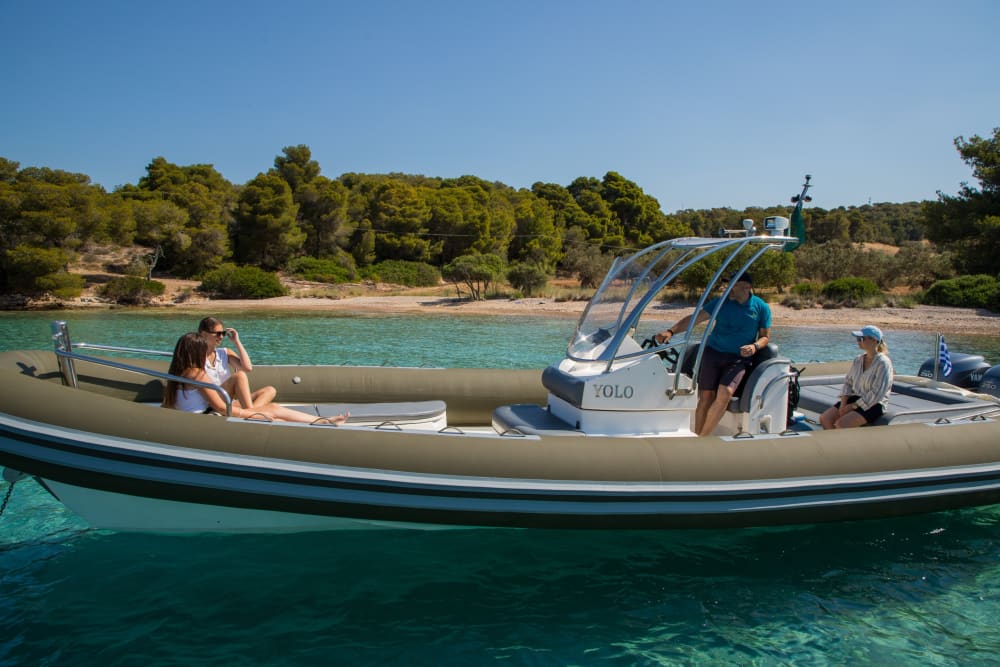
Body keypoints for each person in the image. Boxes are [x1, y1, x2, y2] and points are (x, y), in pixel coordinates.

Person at [654, 272, 771, 436]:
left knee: (725, 394)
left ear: (746, 287)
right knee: (706, 397)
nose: (728, 288)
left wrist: (755, 346)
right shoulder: (721, 302)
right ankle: (697, 436)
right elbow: (695, 319)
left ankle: (703, 439)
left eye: (733, 285)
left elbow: (765, 337)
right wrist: (671, 331)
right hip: (713, 354)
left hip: (738, 359)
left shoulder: (761, 308)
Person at [162, 332, 348, 424]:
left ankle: (322, 421)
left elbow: (168, 405)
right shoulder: (198, 373)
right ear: (194, 351)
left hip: (198, 415)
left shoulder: (177, 371)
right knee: (273, 410)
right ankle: (323, 421)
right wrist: (254, 415)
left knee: (272, 408)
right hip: (207, 419)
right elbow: (220, 406)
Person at [820, 325, 893, 429]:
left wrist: (852, 406)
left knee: (841, 424)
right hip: (854, 398)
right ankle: (834, 443)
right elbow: (848, 382)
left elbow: (877, 393)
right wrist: (843, 404)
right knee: (825, 418)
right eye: (858, 339)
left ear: (874, 340)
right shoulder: (858, 360)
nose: (858, 341)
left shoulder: (883, 363)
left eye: (861, 339)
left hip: (874, 404)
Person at [197, 317, 276, 411]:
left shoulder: (224, 352)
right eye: (217, 334)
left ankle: (249, 413)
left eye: (223, 333)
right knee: (239, 376)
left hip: (227, 400)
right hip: (212, 401)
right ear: (204, 334)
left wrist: (237, 342)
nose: (221, 337)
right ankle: (251, 415)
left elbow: (247, 368)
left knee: (270, 390)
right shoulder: (195, 356)